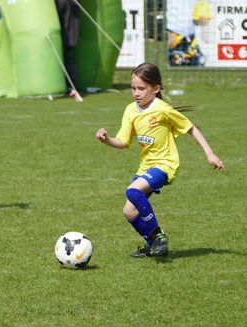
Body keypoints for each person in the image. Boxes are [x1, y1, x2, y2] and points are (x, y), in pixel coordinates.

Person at [95, 62, 225, 257]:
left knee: (132, 191)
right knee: (129, 212)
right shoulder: (131, 110)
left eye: (141, 88)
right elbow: (123, 141)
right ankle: (153, 245)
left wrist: (209, 153)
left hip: (165, 165)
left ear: (155, 89)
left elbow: (191, 128)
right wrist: (107, 140)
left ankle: (158, 235)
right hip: (146, 166)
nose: (136, 93)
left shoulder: (163, 109)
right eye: (133, 88)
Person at [54, 0, 79, 96]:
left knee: (68, 54)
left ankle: (71, 86)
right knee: (66, 55)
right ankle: (68, 85)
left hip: (68, 31)